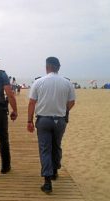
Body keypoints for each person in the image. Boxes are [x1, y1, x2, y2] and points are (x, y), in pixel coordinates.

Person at [27, 57, 76, 193]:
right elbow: (72, 102)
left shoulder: (39, 82)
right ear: (58, 67)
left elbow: (32, 103)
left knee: (45, 149)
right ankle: (54, 170)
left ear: (47, 67)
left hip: (43, 120)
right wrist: (64, 110)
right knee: (57, 145)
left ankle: (47, 182)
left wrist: (29, 121)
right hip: (59, 120)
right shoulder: (67, 83)